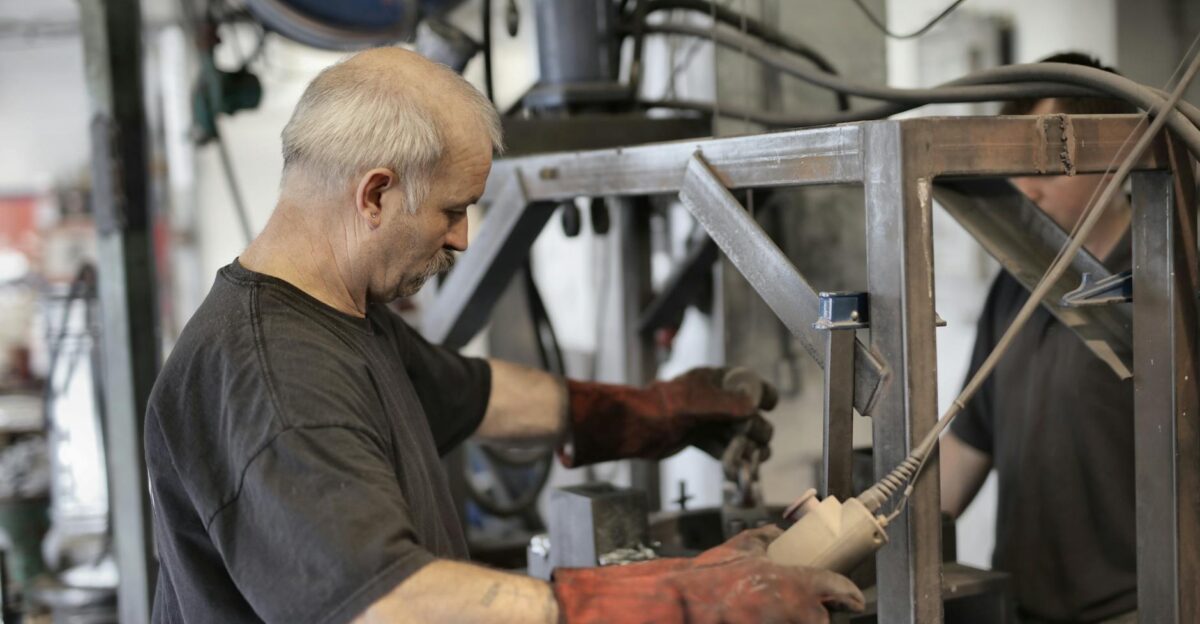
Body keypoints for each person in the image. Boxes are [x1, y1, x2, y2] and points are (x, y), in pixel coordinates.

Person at [144, 47, 863, 624]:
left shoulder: (340, 316)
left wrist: (652, 413)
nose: (461, 237)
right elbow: (390, 605)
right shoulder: (273, 378)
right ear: (375, 193)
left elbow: (475, 394)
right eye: (453, 209)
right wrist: (676, 599)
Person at [940, 53, 1140, 623]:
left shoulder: (1171, 285)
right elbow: (968, 445)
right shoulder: (1016, 282)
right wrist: (873, 535)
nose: (1023, 187)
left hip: (1138, 610)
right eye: (1013, 162)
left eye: (1043, 164)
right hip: (1020, 609)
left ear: (1111, 157)